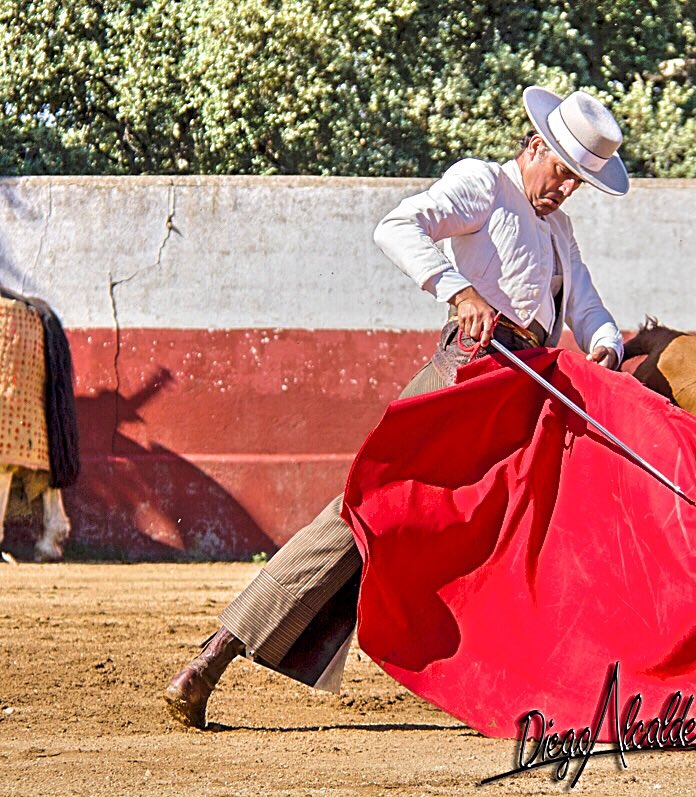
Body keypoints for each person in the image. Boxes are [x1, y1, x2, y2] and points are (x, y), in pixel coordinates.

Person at [164, 86, 630, 728]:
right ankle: (212, 658)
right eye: (562, 173)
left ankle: (552, 687)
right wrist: (456, 288)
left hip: (523, 403)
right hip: (464, 379)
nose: (565, 189)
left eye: (578, 182)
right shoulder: (483, 185)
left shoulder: (560, 231)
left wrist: (605, 344)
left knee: (530, 534)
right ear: (533, 147)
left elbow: (588, 307)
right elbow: (397, 225)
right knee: (365, 515)